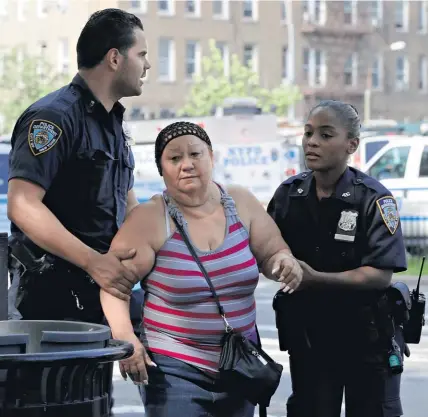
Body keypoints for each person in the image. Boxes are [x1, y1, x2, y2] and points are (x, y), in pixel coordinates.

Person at [100, 121, 303, 417]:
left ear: (211, 157)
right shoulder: (149, 219)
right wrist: (127, 338)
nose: (187, 165)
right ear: (161, 170)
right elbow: (113, 286)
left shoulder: (241, 203)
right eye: (174, 158)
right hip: (174, 371)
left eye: (195, 154)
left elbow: (272, 250)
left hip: (240, 366)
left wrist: (284, 263)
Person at [7, 8, 151, 323]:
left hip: (103, 290)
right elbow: (22, 206)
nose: (148, 65)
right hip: (51, 298)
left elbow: (128, 207)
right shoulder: (53, 117)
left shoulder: (114, 123)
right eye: (141, 54)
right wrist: (93, 262)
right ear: (115, 58)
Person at [268, 100, 408, 417]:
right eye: (308, 133)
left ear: (351, 144)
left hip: (367, 339)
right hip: (310, 339)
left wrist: (315, 278)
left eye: (326, 134)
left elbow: (380, 275)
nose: (312, 141)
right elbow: (267, 252)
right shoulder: (289, 195)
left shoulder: (373, 198)